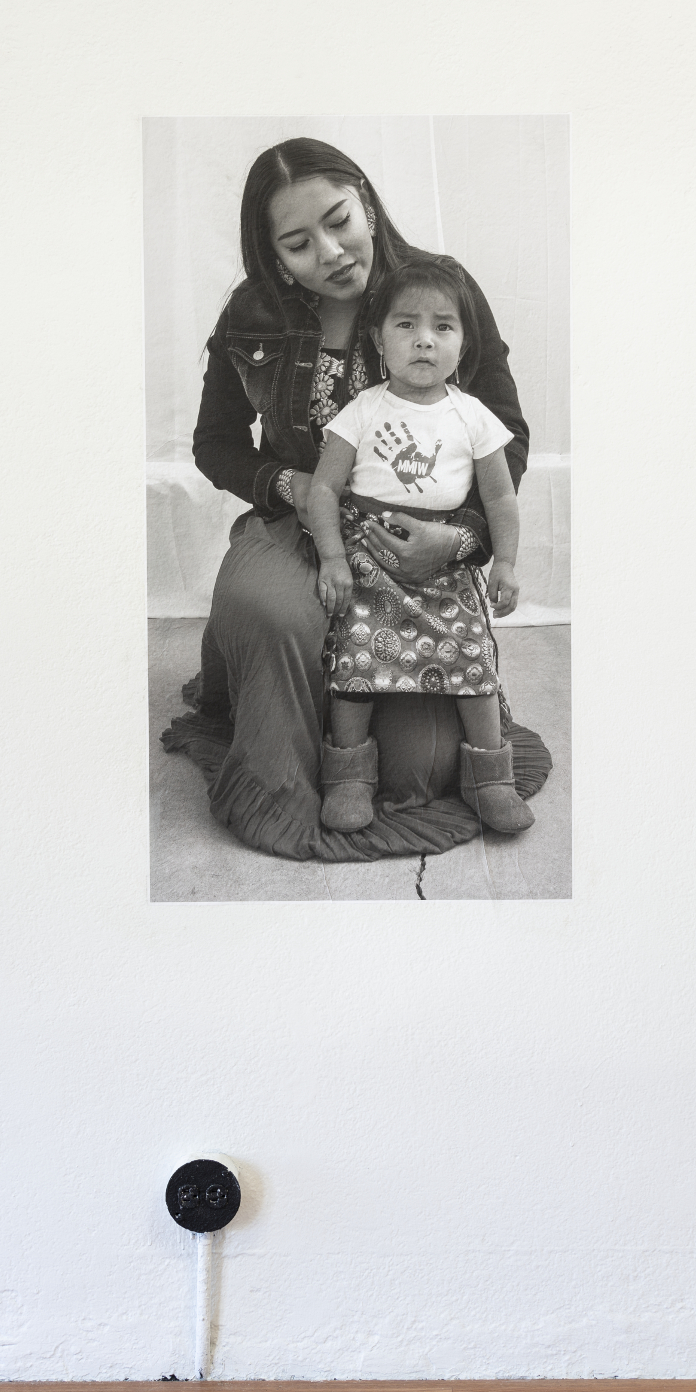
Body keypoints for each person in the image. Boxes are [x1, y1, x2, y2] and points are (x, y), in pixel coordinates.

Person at [161, 137, 551, 862]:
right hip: (296, 520)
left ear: (366, 202)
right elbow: (215, 444)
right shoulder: (252, 316)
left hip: (419, 546)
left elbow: (507, 440)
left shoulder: (440, 293)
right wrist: (287, 483)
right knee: (273, 614)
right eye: (300, 243)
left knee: (418, 766)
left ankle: (332, 722)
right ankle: (268, 721)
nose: (332, 251)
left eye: (340, 220)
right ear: (276, 257)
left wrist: (463, 540)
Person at [308, 254, 535, 837]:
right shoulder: (361, 411)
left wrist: (504, 563)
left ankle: (492, 778)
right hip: (370, 560)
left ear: (463, 344)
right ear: (379, 340)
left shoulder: (475, 417)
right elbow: (326, 488)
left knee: (475, 661)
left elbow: (501, 499)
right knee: (355, 657)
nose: (424, 341)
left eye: (443, 326)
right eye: (406, 325)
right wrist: (333, 556)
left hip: (446, 568)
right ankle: (349, 776)